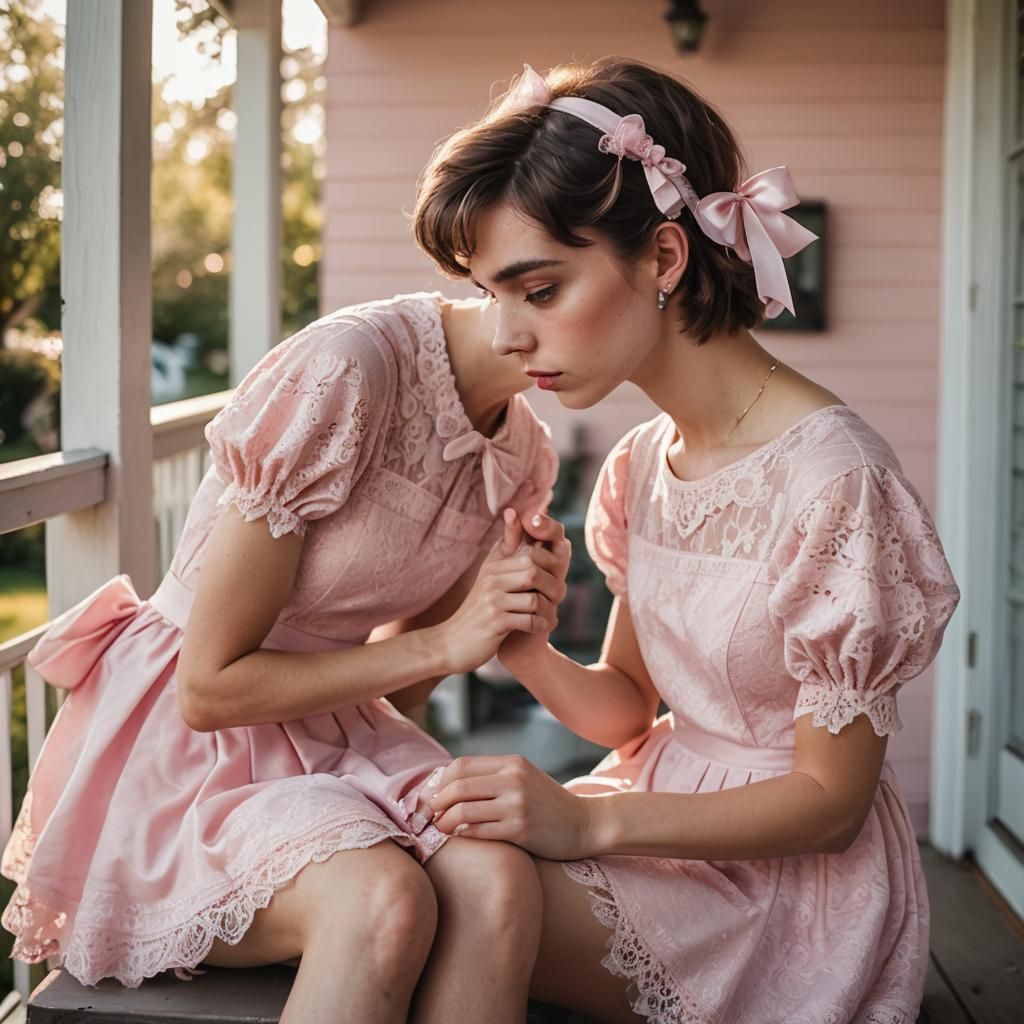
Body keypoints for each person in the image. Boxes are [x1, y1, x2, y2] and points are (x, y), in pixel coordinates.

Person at [412, 59, 961, 1024]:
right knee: (434, 858)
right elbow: (629, 707)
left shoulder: (836, 483)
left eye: (539, 290)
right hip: (656, 812)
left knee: (471, 892)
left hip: (787, 888)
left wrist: (589, 822)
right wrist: (525, 648)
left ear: (664, 256)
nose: (505, 337)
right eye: (494, 296)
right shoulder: (640, 465)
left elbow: (832, 804)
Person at [1, 290, 567, 1024]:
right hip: (187, 747)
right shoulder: (349, 366)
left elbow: (406, 684)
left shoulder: (522, 456)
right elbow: (207, 691)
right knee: (382, 900)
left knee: (498, 880)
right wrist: (447, 642)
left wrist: (501, 617)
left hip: (339, 733)